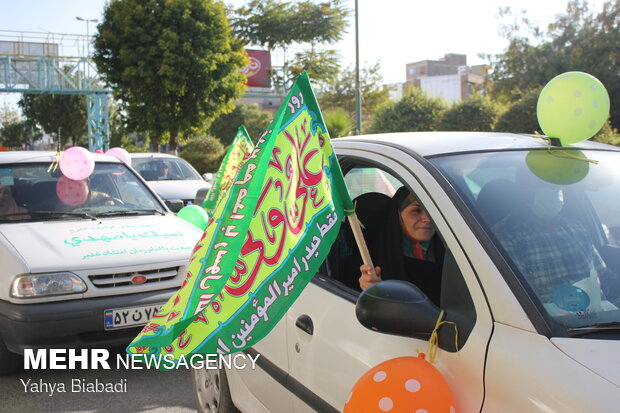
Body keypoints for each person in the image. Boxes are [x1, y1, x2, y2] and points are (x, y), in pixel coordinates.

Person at [356, 186, 444, 304]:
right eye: (416, 211)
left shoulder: (455, 253)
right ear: (398, 215)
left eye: (432, 211)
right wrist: (372, 287)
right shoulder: (373, 261)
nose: (427, 219)